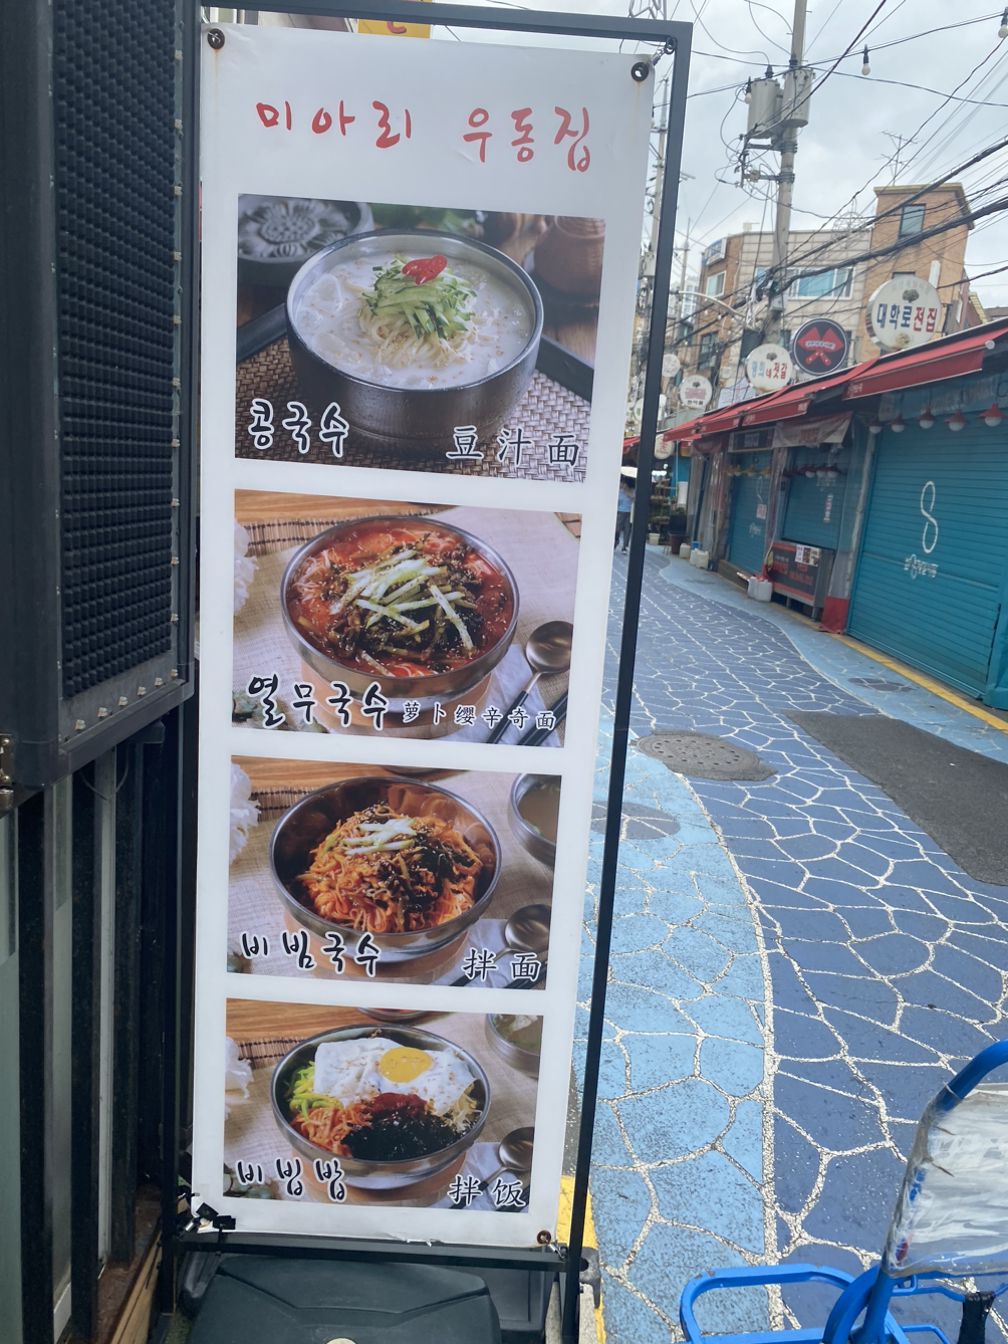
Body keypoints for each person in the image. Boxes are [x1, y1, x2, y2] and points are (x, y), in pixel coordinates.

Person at [614, 480, 633, 553]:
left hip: (629, 512)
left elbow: (634, 499)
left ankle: (625, 546)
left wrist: (630, 495)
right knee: (618, 528)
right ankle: (616, 540)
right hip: (620, 511)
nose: (622, 485)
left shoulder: (632, 491)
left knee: (627, 530)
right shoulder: (619, 491)